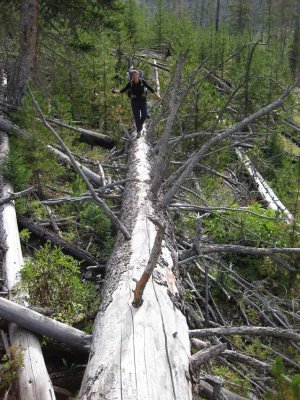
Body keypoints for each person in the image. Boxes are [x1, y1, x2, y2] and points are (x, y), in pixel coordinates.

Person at [112, 70, 161, 138]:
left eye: (136, 75)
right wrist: (114, 91)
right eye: (133, 75)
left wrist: (157, 96)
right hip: (134, 102)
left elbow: (150, 89)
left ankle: (139, 127)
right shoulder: (130, 84)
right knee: (137, 117)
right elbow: (122, 91)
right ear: (131, 76)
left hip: (143, 101)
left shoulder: (142, 82)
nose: (135, 76)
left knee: (144, 115)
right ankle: (138, 132)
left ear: (138, 75)